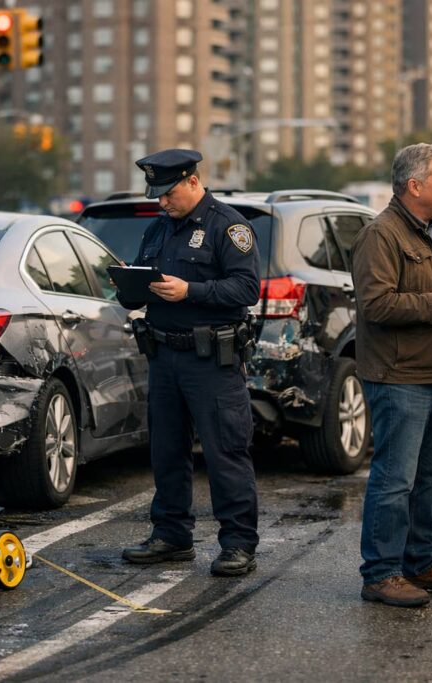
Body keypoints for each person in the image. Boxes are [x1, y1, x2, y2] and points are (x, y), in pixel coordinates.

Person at [116, 148, 261, 577]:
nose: (161, 202)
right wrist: (128, 282)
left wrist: (191, 292)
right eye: (157, 194)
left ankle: (238, 543)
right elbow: (141, 285)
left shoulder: (228, 226)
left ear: (193, 182)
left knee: (225, 452)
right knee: (166, 450)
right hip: (164, 355)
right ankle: (172, 535)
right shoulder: (159, 229)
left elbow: (246, 288)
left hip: (211, 360)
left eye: (168, 192)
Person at [350, 143, 432, 608]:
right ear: (414, 185)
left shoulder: (431, 232)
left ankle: (422, 562)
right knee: (395, 479)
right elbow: (377, 305)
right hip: (400, 377)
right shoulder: (380, 235)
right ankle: (381, 574)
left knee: (430, 477)